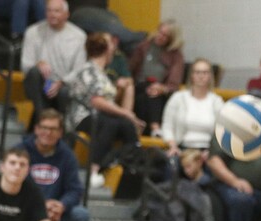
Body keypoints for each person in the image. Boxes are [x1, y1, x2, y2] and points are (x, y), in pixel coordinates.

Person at [67, 32, 143, 188]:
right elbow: (97, 101)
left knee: (127, 126)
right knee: (112, 123)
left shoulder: (103, 74)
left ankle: (124, 164)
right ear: (107, 49)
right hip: (84, 116)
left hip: (104, 117)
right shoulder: (88, 70)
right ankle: (93, 170)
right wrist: (126, 113)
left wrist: (128, 117)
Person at [18, 109, 90, 221]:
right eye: (44, 127)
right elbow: (15, 184)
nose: (48, 133)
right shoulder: (21, 151)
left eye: (53, 129)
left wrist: (61, 206)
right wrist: (41, 207)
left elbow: (75, 189)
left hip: (57, 213)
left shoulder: (68, 155)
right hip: (27, 210)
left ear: (60, 133)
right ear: (36, 129)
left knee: (81, 215)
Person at [21, 0, 87, 127]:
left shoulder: (79, 36)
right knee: (34, 72)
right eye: (49, 10)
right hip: (44, 83)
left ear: (66, 14)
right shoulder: (33, 32)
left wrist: (62, 82)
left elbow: (79, 69)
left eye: (56, 11)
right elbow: (25, 65)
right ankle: (42, 122)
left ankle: (61, 130)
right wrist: (38, 64)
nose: (52, 14)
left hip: (64, 84)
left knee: (65, 92)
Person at [128, 19, 184, 137]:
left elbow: (174, 83)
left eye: (165, 36)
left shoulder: (176, 56)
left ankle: (144, 131)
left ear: (171, 39)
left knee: (148, 97)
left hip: (158, 93)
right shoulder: (143, 47)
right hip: (139, 86)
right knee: (148, 88)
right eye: (160, 32)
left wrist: (162, 88)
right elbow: (130, 70)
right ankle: (155, 128)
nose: (160, 37)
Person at [146, 148, 214, 221]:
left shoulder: (208, 185)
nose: (186, 171)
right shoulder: (184, 184)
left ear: (199, 162)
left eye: (189, 166)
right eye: (184, 167)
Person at [162, 58, 223, 155]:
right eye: (197, 72)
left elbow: (222, 131)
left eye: (205, 72)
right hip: (182, 148)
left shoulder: (217, 101)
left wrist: (211, 152)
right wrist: (173, 146)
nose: (201, 76)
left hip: (207, 151)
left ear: (210, 76)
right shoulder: (178, 98)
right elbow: (167, 126)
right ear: (191, 75)